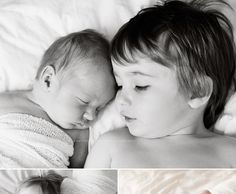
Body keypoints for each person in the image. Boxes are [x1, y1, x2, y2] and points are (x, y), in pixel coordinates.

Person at [85, 0, 236, 169]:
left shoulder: (229, 153)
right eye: (119, 85)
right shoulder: (112, 145)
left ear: (197, 90)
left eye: (140, 86)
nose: (120, 100)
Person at [0, 30, 115, 168]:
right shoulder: (8, 102)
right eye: (84, 101)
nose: (91, 116)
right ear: (48, 80)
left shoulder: (80, 133)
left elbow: (75, 172)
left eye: (99, 108)